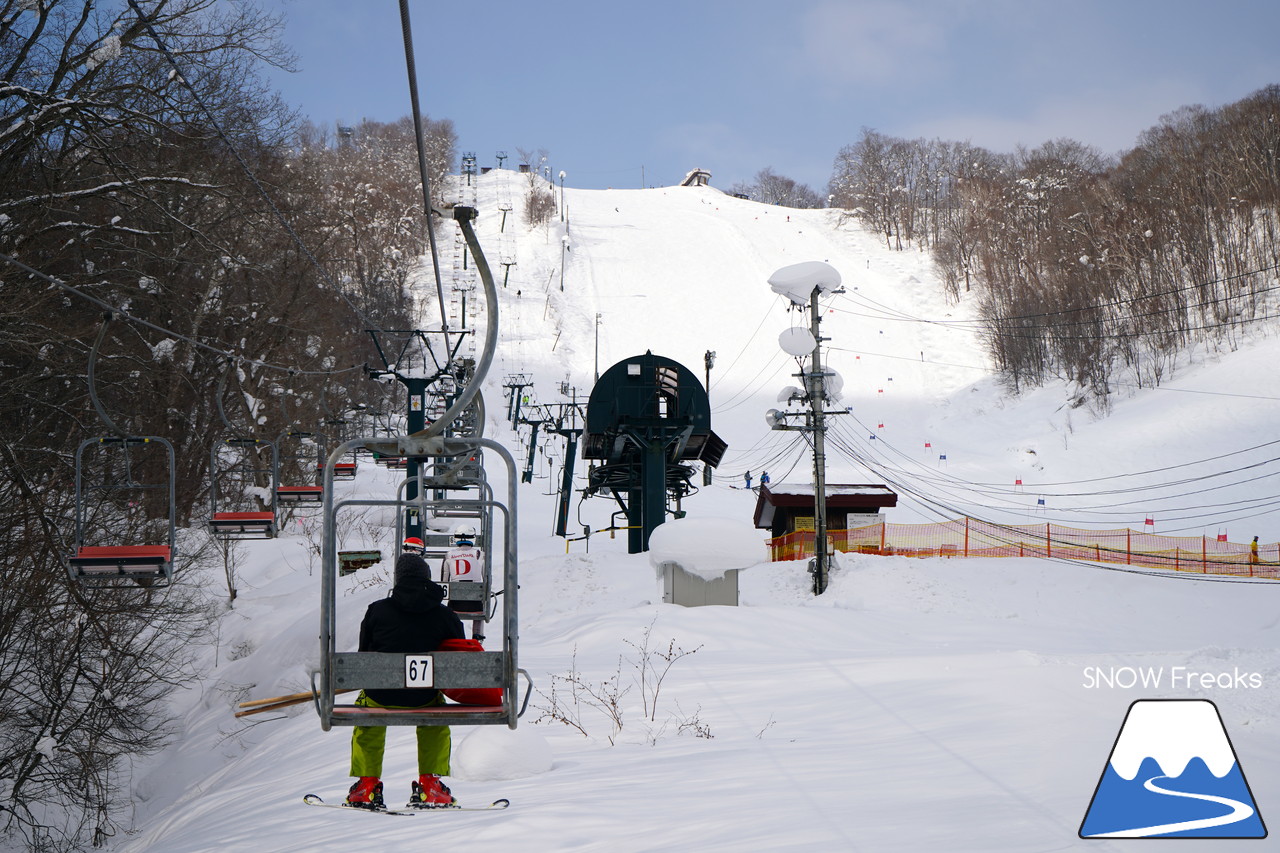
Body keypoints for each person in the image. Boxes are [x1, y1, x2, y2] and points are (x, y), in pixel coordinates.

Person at [346, 536, 465, 810]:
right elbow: (460, 659)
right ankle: (430, 785)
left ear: (398, 579)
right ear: (426, 577)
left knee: (368, 714)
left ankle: (367, 785)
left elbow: (365, 658)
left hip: (380, 694)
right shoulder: (445, 615)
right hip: (424, 696)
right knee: (434, 716)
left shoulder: (377, 610)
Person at [442, 523, 485, 642]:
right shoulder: (480, 555)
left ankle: (454, 636)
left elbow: (444, 581)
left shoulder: (449, 555)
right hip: (475, 604)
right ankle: (477, 635)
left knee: (449, 613)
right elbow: (486, 578)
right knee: (480, 610)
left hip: (455, 604)